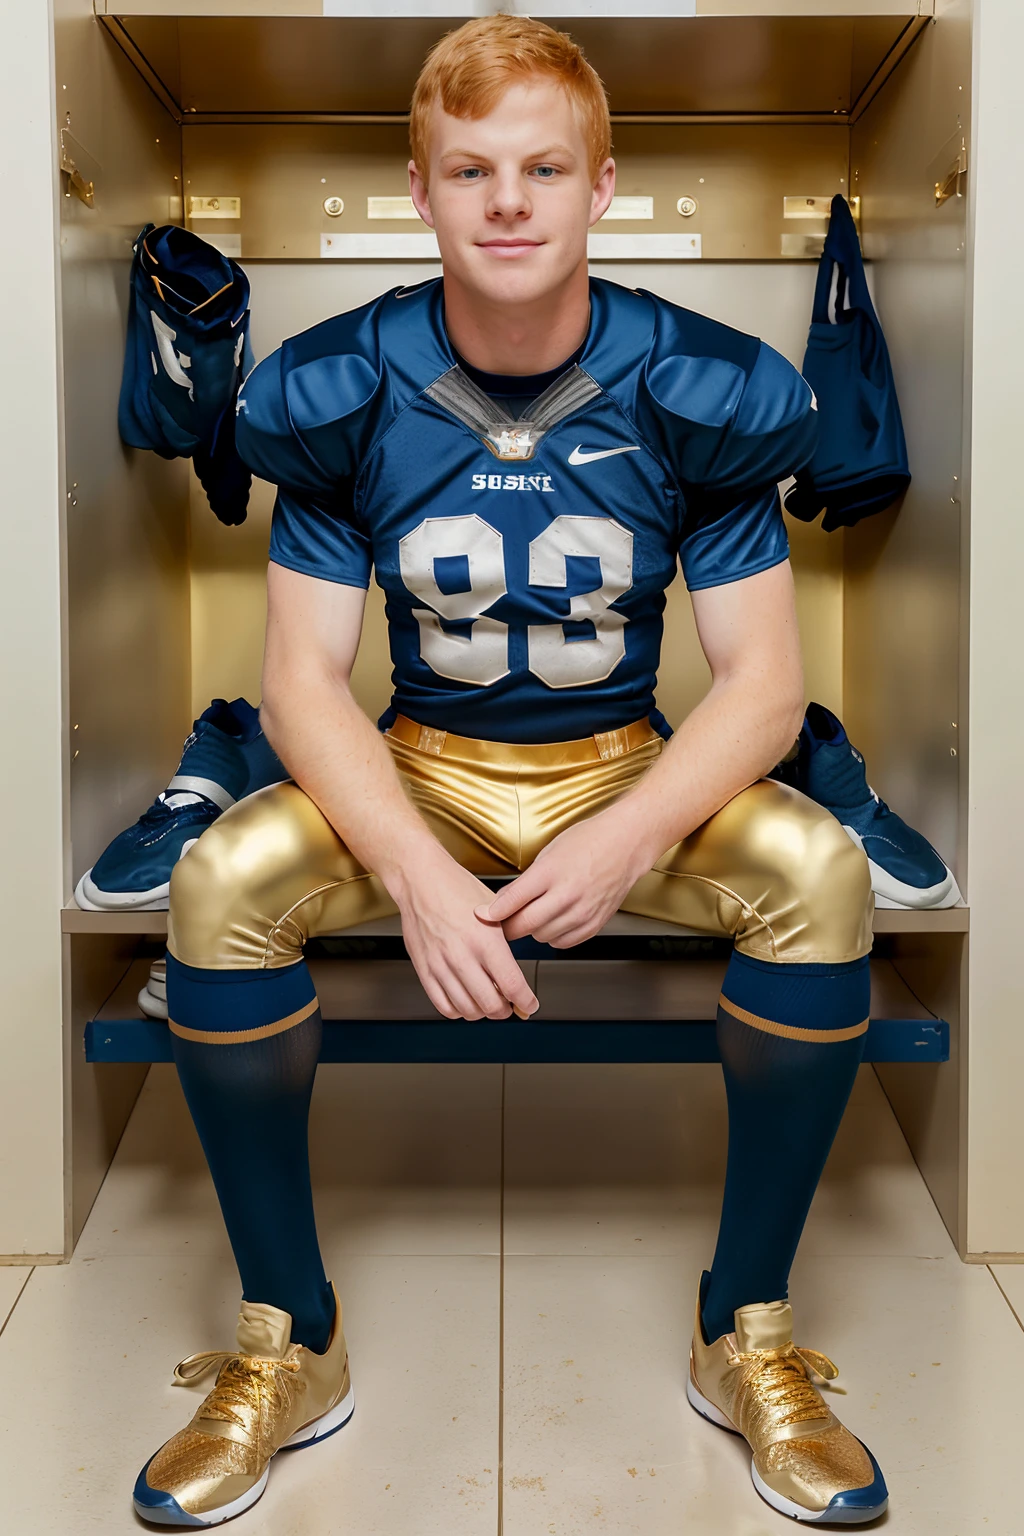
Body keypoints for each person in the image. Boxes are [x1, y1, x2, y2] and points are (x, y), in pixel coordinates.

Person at [132, 14, 887, 1528]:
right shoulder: (342, 386)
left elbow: (762, 689)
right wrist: (413, 874)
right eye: (470, 169)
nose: (509, 201)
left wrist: (623, 843)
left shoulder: (695, 381)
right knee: (221, 883)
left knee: (818, 870)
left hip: (623, 764)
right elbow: (299, 679)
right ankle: (294, 1339)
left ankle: (747, 1330)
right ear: (419, 191)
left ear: (603, 185)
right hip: (421, 767)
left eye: (545, 166)